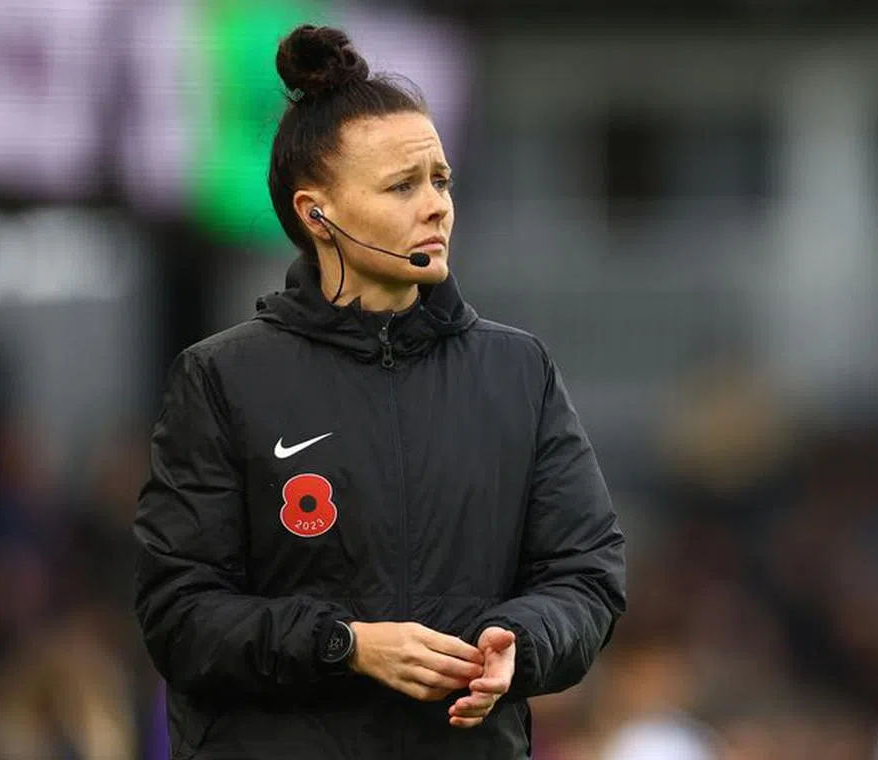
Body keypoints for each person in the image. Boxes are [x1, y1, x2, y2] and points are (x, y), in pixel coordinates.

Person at [132, 23, 627, 760]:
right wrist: (347, 645)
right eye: (403, 186)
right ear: (317, 214)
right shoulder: (221, 378)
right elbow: (179, 615)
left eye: (440, 181)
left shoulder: (520, 372)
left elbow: (586, 576)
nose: (436, 206)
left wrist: (520, 642)